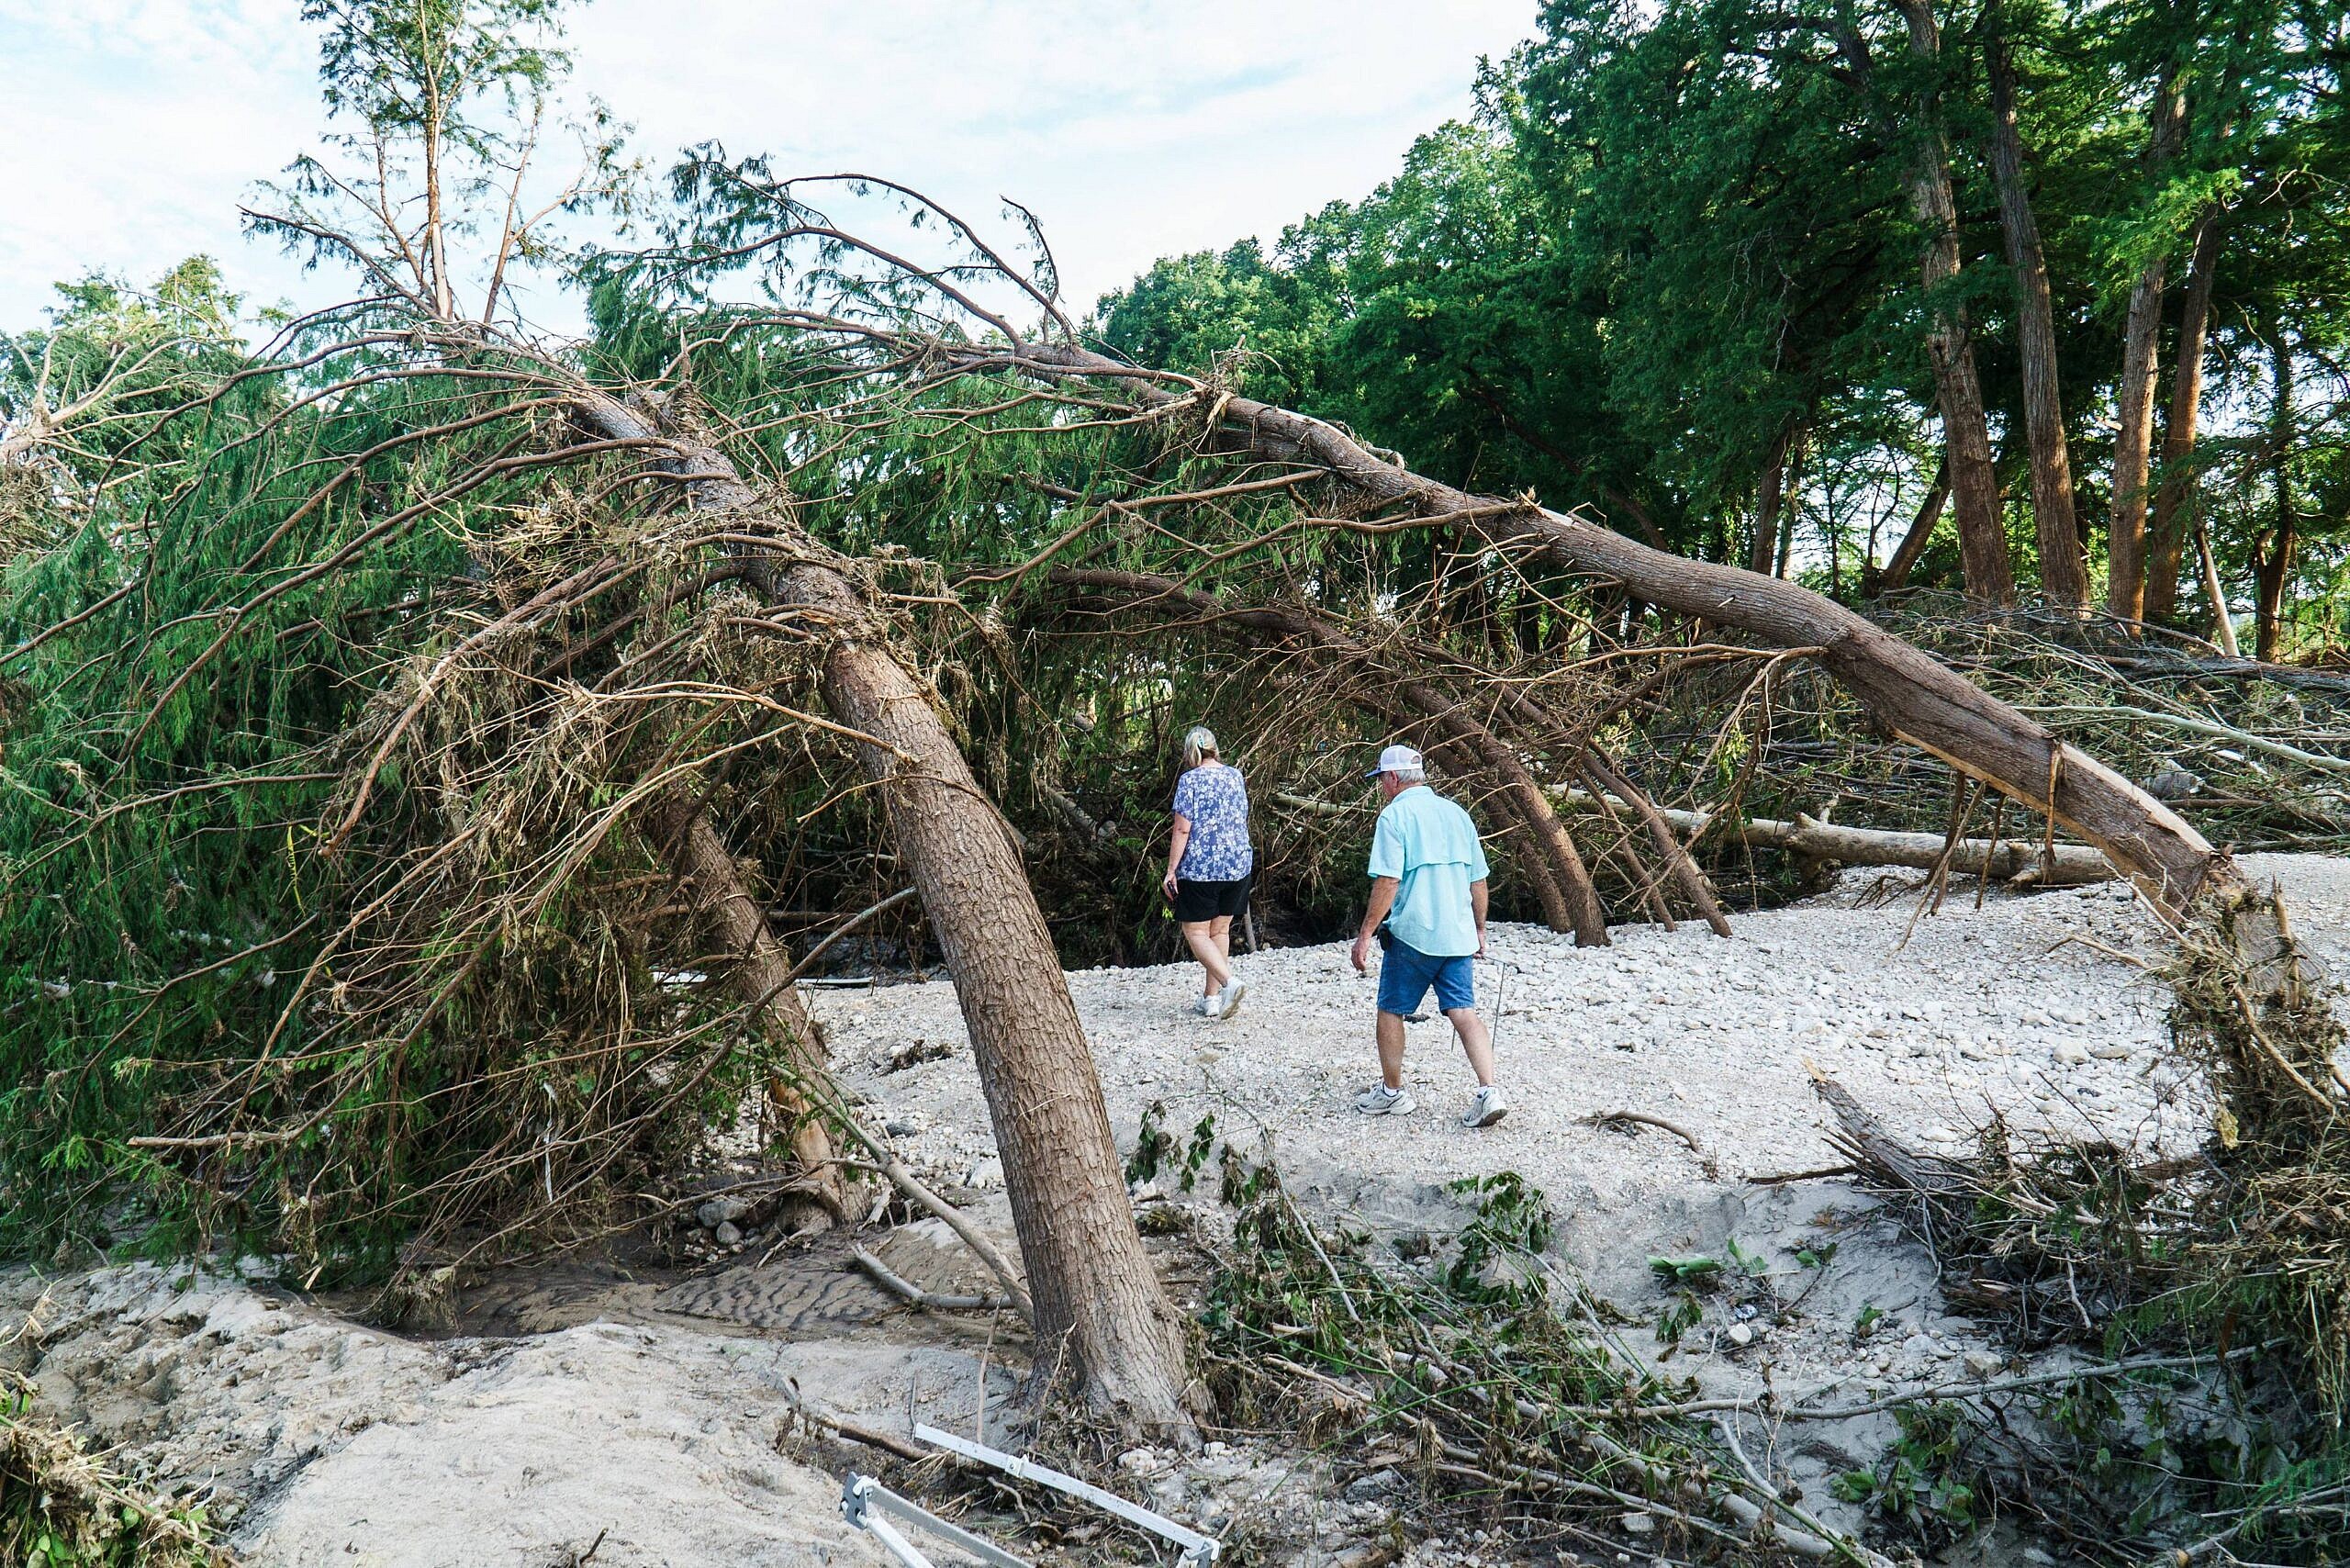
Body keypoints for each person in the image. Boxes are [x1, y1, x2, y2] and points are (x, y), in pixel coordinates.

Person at [1348, 744, 1506, 1127]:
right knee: (1464, 1013)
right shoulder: (1456, 814)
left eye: (1381, 780)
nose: (1381, 788)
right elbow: (1478, 879)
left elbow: (1388, 880)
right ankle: (1489, 1091)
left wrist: (1366, 933)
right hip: (1457, 935)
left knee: (1391, 1008)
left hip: (1414, 935)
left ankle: (1392, 1093)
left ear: (1392, 778)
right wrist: (1480, 928)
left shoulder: (1394, 818)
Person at [1162, 725, 1252, 1019]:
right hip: (1237, 866)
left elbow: (1182, 828)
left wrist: (1171, 870)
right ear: (1215, 748)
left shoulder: (1190, 781)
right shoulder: (1235, 776)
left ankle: (1229, 984)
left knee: (1196, 932)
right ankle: (1211, 1000)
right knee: (1220, 930)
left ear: (1190, 752)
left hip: (1201, 870)